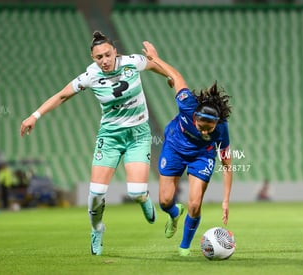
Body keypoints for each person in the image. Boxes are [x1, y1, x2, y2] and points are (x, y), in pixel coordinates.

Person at [20, 31, 170, 256]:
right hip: (109, 137)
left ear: (115, 52)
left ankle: (144, 199)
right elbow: (62, 95)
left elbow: (152, 64)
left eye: (108, 55)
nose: (104, 60)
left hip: (138, 135)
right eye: (99, 57)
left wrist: (167, 76)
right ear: (93, 58)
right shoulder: (90, 76)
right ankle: (97, 229)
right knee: (96, 193)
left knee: (136, 192)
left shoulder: (132, 63)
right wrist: (35, 115)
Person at [142, 41, 233, 256]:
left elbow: (227, 164)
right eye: (202, 127)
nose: (204, 131)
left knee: (194, 203)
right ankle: (174, 214)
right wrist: (155, 58)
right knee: (164, 201)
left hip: (202, 156)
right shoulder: (187, 103)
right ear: (196, 117)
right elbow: (176, 75)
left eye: (209, 128)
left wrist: (225, 200)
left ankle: (184, 246)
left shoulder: (221, 129)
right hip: (174, 146)